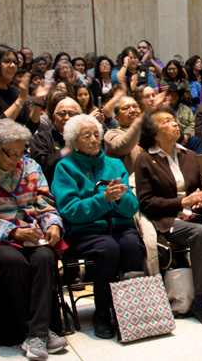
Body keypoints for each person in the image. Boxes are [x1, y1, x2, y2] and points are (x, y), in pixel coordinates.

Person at [0, 119, 66, 361]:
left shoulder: (31, 166)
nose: (19, 158)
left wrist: (52, 224)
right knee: (13, 260)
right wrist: (12, 232)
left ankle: (35, 335)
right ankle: (39, 333)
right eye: (13, 153)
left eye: (23, 151)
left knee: (44, 256)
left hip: (31, 233)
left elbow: (45, 202)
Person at [134, 109, 202, 326]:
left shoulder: (188, 154)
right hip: (168, 219)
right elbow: (146, 202)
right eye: (167, 121)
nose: (174, 124)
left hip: (195, 215)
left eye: (173, 120)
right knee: (200, 233)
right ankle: (201, 301)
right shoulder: (145, 159)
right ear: (154, 133)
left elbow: (200, 187)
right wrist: (182, 203)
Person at [52, 114, 145, 338]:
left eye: (96, 135)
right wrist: (103, 200)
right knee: (108, 249)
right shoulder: (65, 167)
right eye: (87, 136)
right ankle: (102, 312)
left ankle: (130, 311)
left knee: (133, 243)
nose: (94, 140)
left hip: (120, 226)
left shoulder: (114, 164)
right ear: (74, 142)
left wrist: (119, 199)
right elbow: (70, 210)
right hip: (86, 230)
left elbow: (132, 206)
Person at [31, 97, 80, 185]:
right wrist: (66, 151)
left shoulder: (85, 138)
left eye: (71, 114)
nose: (67, 118)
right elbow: (41, 167)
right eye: (62, 114)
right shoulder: (42, 137)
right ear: (54, 117)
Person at [103, 95, 146, 172]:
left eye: (135, 106)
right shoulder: (111, 134)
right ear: (116, 118)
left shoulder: (146, 130)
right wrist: (139, 121)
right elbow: (124, 144)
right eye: (126, 108)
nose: (132, 110)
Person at [163, 83, 202, 153]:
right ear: (167, 96)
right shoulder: (162, 109)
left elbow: (192, 123)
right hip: (169, 138)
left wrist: (186, 135)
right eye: (171, 95)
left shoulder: (185, 108)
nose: (174, 97)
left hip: (185, 137)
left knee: (198, 140)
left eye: (176, 95)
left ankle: (197, 160)